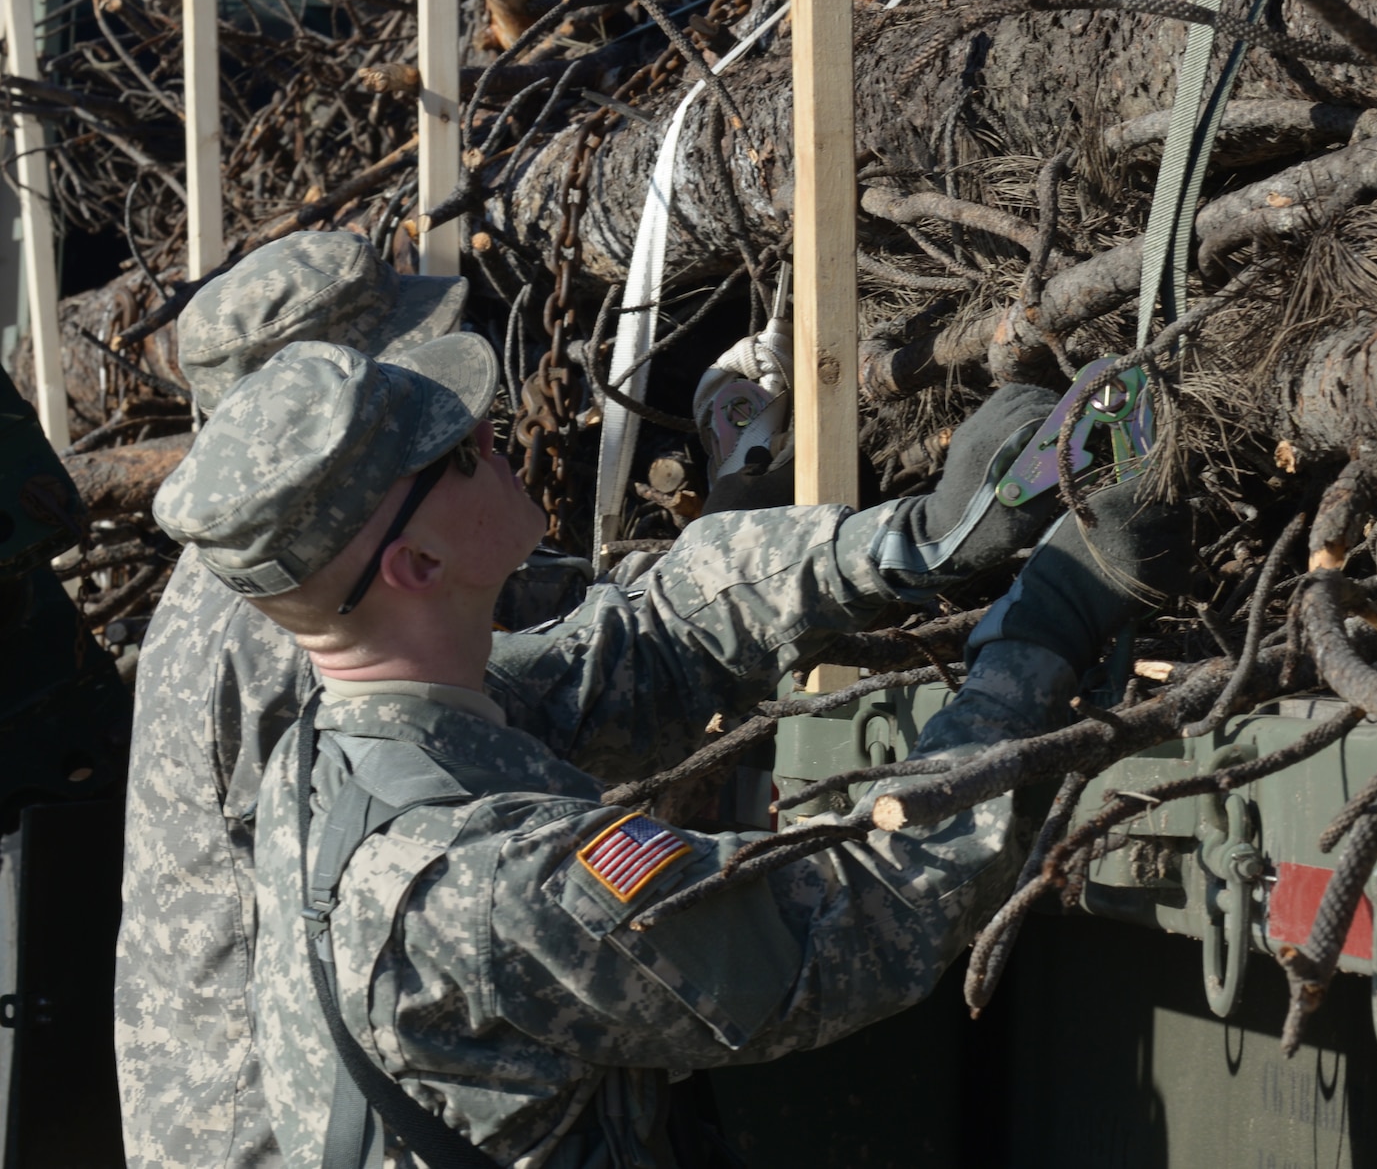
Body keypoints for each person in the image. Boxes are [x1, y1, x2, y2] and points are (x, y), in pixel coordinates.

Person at [116, 230, 1062, 1169]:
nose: (493, 433)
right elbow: (853, 920)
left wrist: (914, 540)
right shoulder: (488, 885)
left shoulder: (344, 733)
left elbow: (635, 645)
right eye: (456, 449)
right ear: (416, 565)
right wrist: (1042, 644)